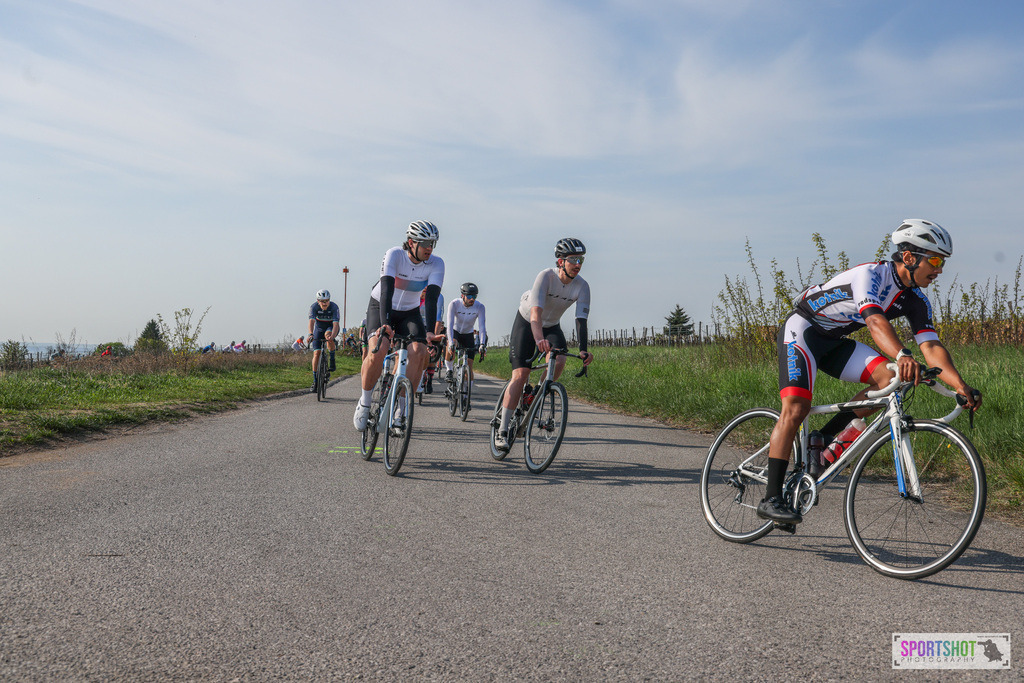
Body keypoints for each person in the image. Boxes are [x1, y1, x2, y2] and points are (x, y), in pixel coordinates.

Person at [758, 219, 982, 524]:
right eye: (933, 260)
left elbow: (931, 346)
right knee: (796, 408)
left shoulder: (917, 301)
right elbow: (876, 322)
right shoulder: (870, 276)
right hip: (804, 330)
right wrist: (902, 354)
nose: (939, 269)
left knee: (890, 380)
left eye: (941, 262)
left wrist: (960, 385)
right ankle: (770, 498)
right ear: (908, 257)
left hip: (834, 340)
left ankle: (823, 438)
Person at [494, 238, 594, 451]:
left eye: (581, 259)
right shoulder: (545, 276)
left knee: (559, 360)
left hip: (552, 326)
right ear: (561, 261)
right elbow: (535, 314)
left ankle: (537, 391)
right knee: (520, 375)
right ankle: (502, 430)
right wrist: (538, 339)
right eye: (573, 259)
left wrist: (584, 350)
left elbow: (581, 320)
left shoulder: (582, 286)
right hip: (527, 321)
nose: (578, 264)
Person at [353, 221, 445, 430]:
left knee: (419, 351)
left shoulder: (437, 264)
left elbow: (431, 299)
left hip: (409, 312)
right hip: (381, 305)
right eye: (425, 243)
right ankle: (365, 402)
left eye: (433, 243)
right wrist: (385, 325)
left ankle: (400, 410)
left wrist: (430, 331)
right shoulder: (394, 255)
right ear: (411, 242)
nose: (430, 248)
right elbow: (386, 290)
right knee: (379, 349)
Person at [444, 282, 487, 392]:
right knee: (452, 343)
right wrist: (451, 343)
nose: (472, 299)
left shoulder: (480, 307)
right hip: (455, 330)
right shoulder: (454, 304)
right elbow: (449, 325)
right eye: (469, 296)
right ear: (462, 295)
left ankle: (466, 395)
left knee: (469, 366)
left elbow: (482, 327)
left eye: (474, 296)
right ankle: (449, 370)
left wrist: (482, 344)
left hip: (468, 334)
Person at [308, 290, 341, 392]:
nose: (325, 303)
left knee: (328, 336)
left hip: (331, 327)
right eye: (322, 301)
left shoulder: (334, 307)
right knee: (316, 353)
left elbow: (335, 325)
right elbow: (311, 321)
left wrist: (333, 336)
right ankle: (315, 381)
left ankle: (332, 359)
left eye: (327, 301)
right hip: (319, 329)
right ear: (318, 301)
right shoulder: (314, 307)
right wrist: (310, 334)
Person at [417, 288, 444, 394]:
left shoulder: (438, 297)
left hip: (430, 326)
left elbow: (438, 320)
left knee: (430, 353)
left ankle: (429, 380)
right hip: (416, 323)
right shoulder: (415, 293)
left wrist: (433, 338)